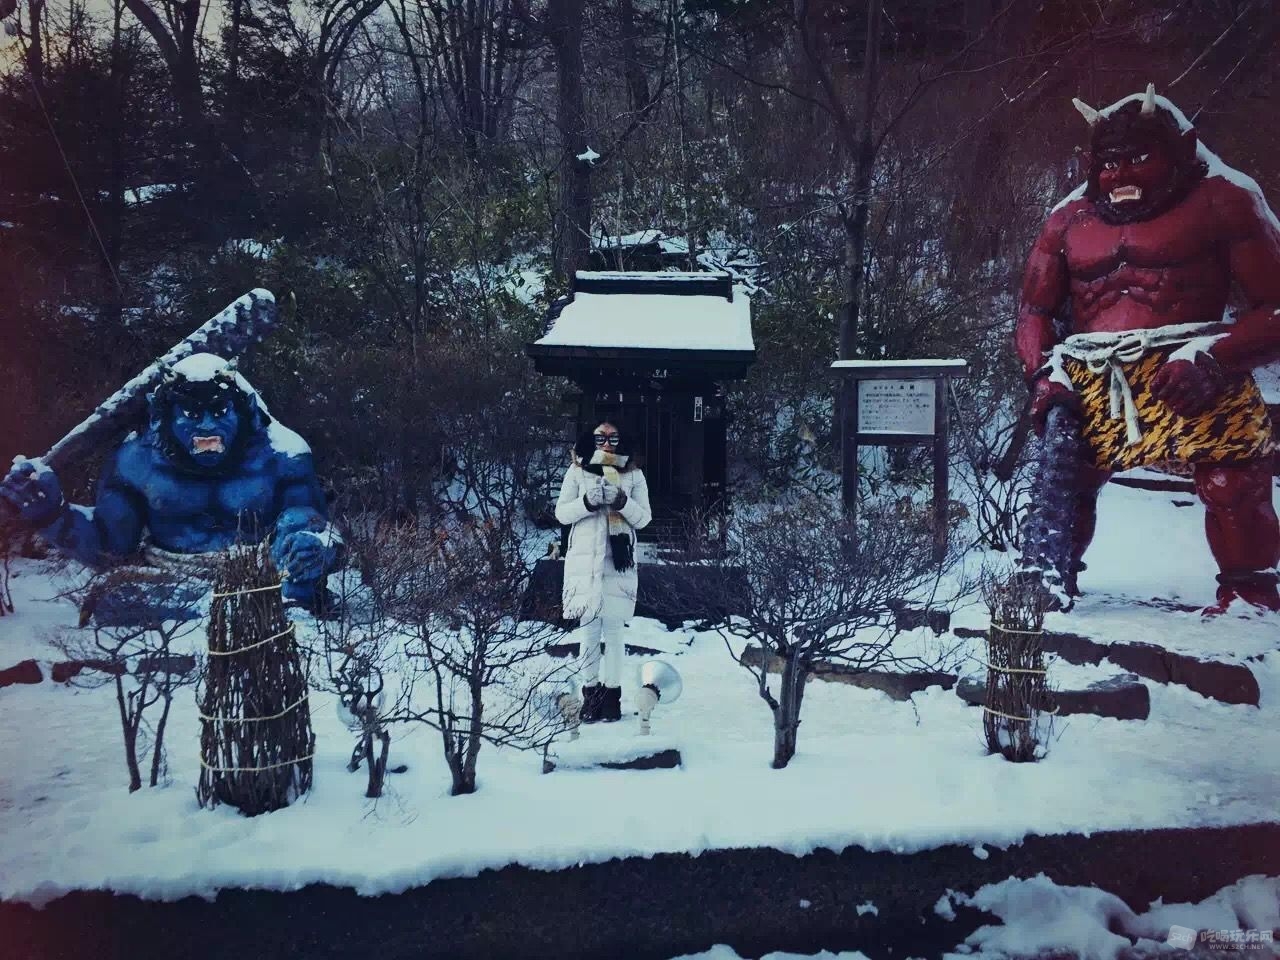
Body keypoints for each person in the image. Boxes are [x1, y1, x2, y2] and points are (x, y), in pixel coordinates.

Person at [1014, 84, 1280, 613]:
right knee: (1063, 484)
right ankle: (1049, 590)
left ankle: (1249, 597)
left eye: (1139, 158)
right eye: (1109, 163)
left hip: (1196, 366)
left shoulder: (1226, 199)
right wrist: (1045, 376)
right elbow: (1033, 312)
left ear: (1182, 148)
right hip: (1092, 374)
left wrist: (1216, 358)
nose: (1122, 176)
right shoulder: (1067, 220)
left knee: (1232, 482)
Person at [555, 422, 652, 722]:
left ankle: (612, 698)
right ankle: (590, 696)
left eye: (613, 437)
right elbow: (562, 513)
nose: (607, 443)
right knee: (588, 632)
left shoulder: (633, 473)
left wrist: (622, 502)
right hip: (585, 561)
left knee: (613, 632)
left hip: (617, 561)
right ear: (590, 439)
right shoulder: (577, 471)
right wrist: (587, 502)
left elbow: (644, 518)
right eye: (600, 437)